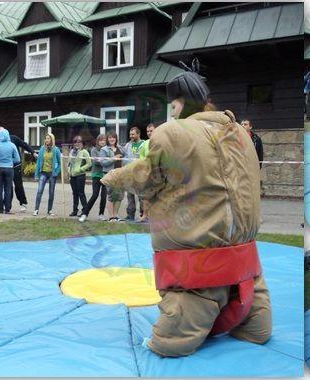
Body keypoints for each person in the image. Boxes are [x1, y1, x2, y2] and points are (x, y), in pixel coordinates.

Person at [102, 58, 270, 357]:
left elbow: (147, 178)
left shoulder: (171, 133)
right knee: (257, 328)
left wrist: (115, 176)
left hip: (196, 263)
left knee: (170, 343)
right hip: (246, 267)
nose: (173, 111)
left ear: (181, 103)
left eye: (174, 105)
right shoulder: (242, 134)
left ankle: (192, 325)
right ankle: (249, 320)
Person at [79, 134, 110, 222]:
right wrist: (106, 161)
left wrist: (105, 161)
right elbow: (96, 162)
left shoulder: (107, 149)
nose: (102, 142)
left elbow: (105, 161)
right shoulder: (94, 150)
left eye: (104, 140)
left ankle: (101, 214)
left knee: (104, 196)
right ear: (98, 141)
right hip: (96, 175)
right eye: (101, 140)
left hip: (106, 175)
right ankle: (85, 213)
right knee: (95, 195)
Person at [0, 127, 20, 214]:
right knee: (8, 188)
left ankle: (0, 209)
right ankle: (7, 209)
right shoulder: (12, 145)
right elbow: (18, 159)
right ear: (8, 135)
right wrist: (11, 161)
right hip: (9, 168)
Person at [8, 133, 37, 212]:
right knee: (8, 187)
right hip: (7, 167)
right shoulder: (0, 141)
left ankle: (23, 203)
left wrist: (33, 152)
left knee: (18, 185)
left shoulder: (13, 138)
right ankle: (7, 205)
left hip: (16, 166)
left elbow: (24, 145)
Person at [33, 133, 61, 216]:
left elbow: (60, 163)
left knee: (51, 192)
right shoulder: (42, 149)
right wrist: (36, 174)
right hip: (43, 173)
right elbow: (38, 162)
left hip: (52, 174)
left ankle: (49, 210)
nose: (46, 140)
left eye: (48, 138)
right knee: (39, 191)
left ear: (52, 140)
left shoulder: (56, 150)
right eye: (46, 138)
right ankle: (36, 210)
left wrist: (56, 172)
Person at [123, 127, 145, 221]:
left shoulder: (144, 144)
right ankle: (130, 214)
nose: (131, 136)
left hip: (140, 174)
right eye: (130, 134)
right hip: (129, 174)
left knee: (141, 196)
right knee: (130, 195)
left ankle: (143, 214)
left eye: (133, 134)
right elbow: (124, 158)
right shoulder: (128, 145)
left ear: (138, 134)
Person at [103, 132, 125, 222]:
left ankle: (116, 216)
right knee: (111, 196)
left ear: (116, 139)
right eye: (110, 138)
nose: (112, 139)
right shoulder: (104, 149)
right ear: (108, 139)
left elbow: (126, 158)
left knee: (119, 196)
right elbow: (103, 163)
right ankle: (111, 217)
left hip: (120, 175)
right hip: (110, 175)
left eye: (114, 138)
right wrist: (114, 158)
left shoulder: (121, 148)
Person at [67, 135, 91, 217]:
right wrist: (68, 170)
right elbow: (69, 162)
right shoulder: (72, 151)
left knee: (81, 193)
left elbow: (89, 164)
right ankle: (75, 210)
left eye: (79, 142)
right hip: (72, 176)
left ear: (82, 143)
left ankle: (85, 211)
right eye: (75, 142)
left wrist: (80, 169)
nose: (77, 143)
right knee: (75, 193)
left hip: (80, 175)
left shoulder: (84, 152)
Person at [137, 123, 156, 223]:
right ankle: (145, 215)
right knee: (146, 196)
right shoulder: (145, 143)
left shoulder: (161, 142)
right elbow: (141, 158)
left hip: (159, 173)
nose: (149, 133)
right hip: (147, 173)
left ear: (156, 130)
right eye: (148, 131)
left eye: (151, 131)